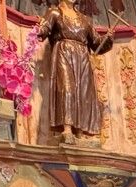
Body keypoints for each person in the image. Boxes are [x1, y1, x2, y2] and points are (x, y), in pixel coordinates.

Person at [38, 0, 114, 142]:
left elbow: (97, 43)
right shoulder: (54, 13)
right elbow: (44, 29)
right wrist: (39, 30)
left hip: (83, 58)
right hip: (63, 52)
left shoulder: (85, 19)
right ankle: (67, 128)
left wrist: (108, 38)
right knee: (67, 89)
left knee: (83, 92)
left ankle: (80, 131)